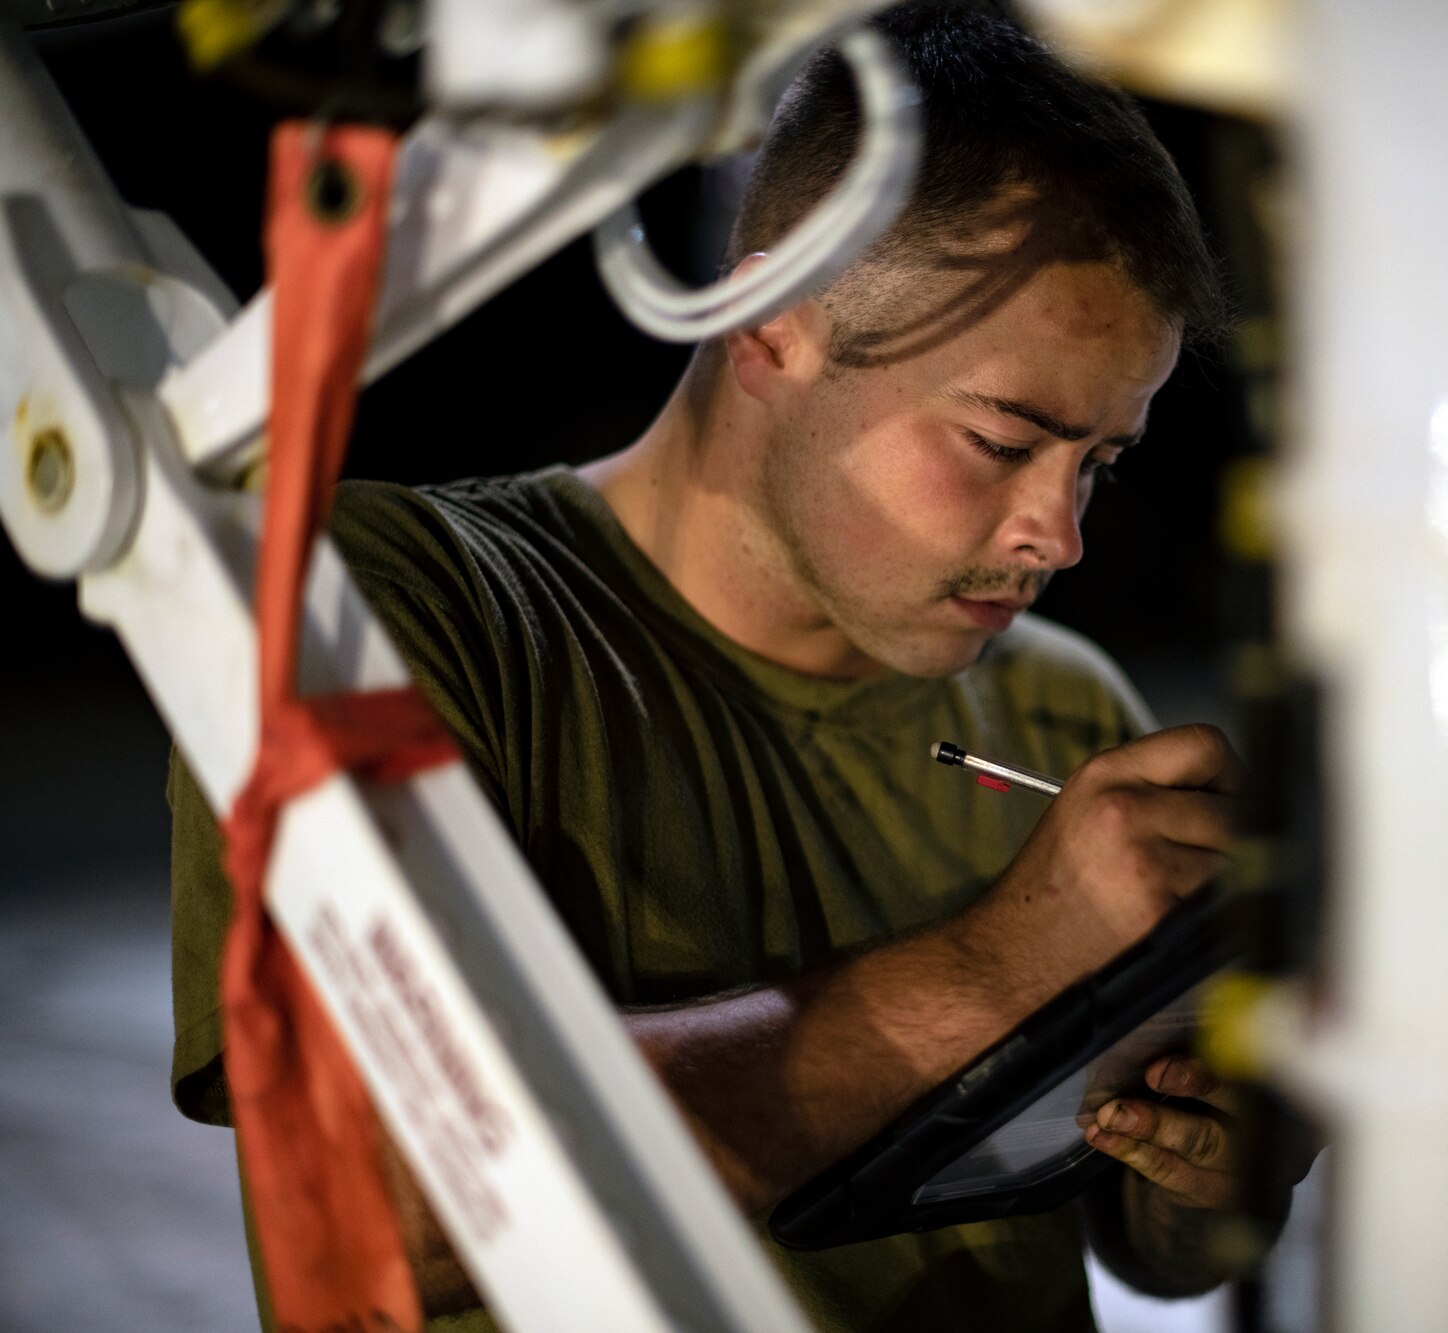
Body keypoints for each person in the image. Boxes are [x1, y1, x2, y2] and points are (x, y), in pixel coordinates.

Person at [168, 6, 1289, 1330]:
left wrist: (1229, 1152)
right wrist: (1006, 961)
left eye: (1099, 461)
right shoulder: (396, 607)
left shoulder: (1065, 714)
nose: (1062, 531)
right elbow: (370, 1213)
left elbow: (1151, 1249)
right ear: (767, 327)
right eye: (1003, 442)